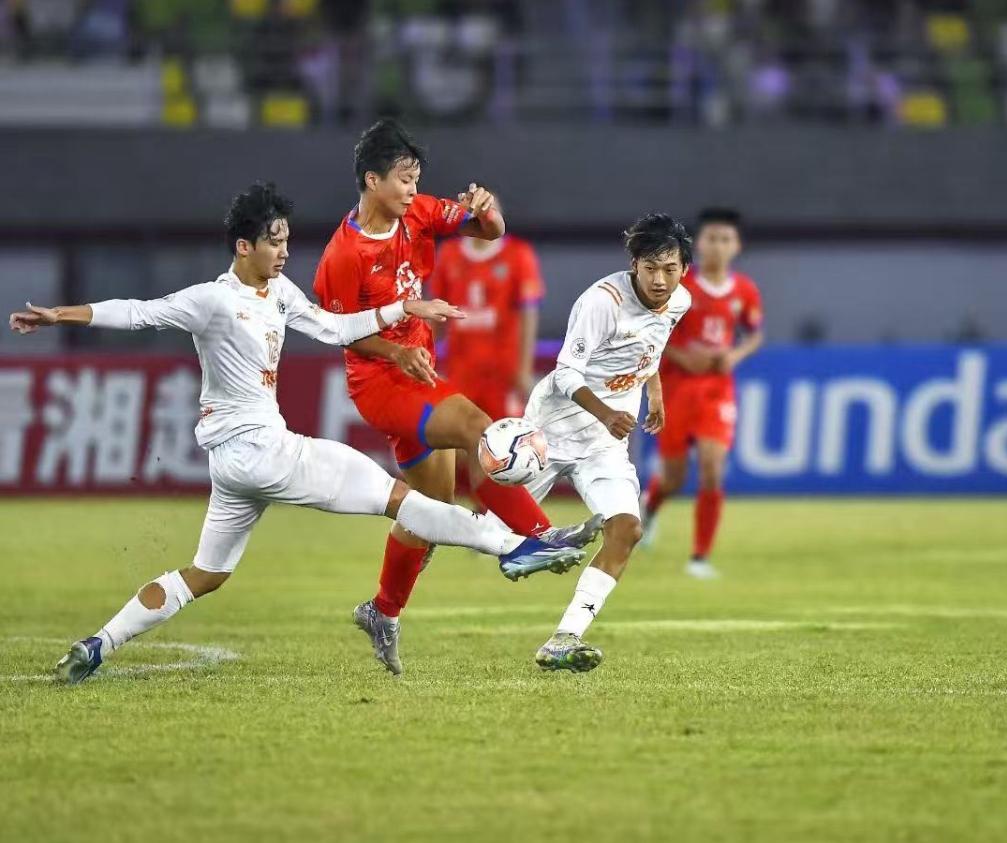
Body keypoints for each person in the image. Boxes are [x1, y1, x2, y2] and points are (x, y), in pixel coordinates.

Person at [7, 182, 587, 685]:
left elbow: (334, 327)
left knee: (207, 573)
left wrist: (402, 309)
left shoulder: (280, 293)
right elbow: (138, 311)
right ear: (243, 246)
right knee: (400, 500)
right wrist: (60, 315)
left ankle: (96, 644)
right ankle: (514, 547)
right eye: (273, 242)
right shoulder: (212, 300)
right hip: (264, 450)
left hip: (234, 467)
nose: (284, 252)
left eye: (286, 240)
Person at [312, 120, 601, 674]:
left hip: (419, 372)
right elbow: (335, 330)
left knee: (432, 511)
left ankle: (382, 610)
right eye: (404, 180)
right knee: (477, 426)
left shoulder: (418, 213)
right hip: (380, 382)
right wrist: (395, 352)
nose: (413, 190)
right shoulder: (343, 255)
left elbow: (488, 230)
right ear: (372, 180)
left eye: (416, 179)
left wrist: (487, 211)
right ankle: (536, 537)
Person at [521, 214, 693, 672]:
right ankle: (403, 565)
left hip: (603, 445)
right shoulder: (602, 302)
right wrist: (607, 413)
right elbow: (565, 373)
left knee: (627, 529)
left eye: (670, 269)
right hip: (551, 431)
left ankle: (565, 638)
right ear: (634, 265)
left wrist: (655, 393)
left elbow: (650, 348)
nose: (660, 280)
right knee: (487, 534)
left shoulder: (680, 301)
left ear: (684, 269)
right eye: (650, 268)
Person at [639, 208, 764, 579]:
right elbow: (649, 331)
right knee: (674, 477)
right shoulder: (679, 285)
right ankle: (651, 507)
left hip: (717, 389)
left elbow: (754, 333)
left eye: (726, 239)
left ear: (737, 245)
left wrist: (735, 355)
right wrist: (682, 356)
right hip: (676, 388)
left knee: (712, 469)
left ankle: (699, 558)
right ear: (698, 243)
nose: (719, 246)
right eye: (712, 238)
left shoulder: (744, 290)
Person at [431, 199, 545, 493]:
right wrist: (427, 358)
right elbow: (437, 314)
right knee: (454, 445)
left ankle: (496, 513)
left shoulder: (518, 254)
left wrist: (523, 370)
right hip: (461, 369)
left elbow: (528, 313)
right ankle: (451, 507)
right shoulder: (450, 254)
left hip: (502, 372)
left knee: (503, 448)